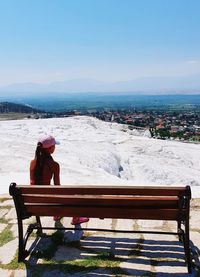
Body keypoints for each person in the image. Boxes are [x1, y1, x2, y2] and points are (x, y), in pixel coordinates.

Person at [30, 134, 89, 225]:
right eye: (54, 146)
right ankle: (75, 219)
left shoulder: (32, 163)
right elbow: (57, 186)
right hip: (49, 203)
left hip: (34, 203)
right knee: (74, 195)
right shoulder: (54, 165)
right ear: (50, 148)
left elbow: (32, 182)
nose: (55, 148)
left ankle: (57, 214)